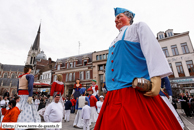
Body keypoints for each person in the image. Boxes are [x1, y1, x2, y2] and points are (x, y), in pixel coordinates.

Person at [94, 7, 182, 130]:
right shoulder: (113, 41)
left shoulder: (138, 27)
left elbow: (152, 49)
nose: (116, 20)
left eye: (119, 17)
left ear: (129, 17)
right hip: (113, 95)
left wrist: (156, 76)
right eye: (115, 19)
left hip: (133, 91)